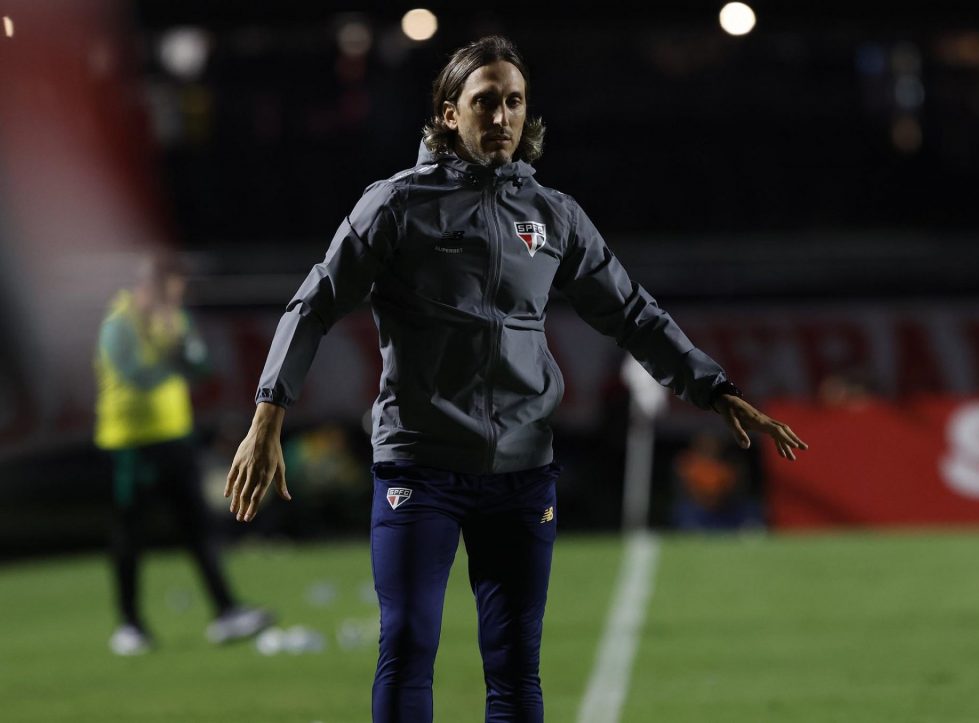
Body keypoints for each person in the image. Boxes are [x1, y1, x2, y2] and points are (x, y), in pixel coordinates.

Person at [225, 36, 808, 722]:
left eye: (513, 101)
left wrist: (714, 387)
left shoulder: (553, 214)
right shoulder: (395, 205)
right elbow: (315, 301)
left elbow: (629, 311)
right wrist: (269, 409)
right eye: (484, 102)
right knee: (409, 645)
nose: (501, 116)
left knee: (514, 667)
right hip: (421, 463)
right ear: (448, 114)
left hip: (522, 469)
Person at [94, 256, 273, 655]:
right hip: (130, 443)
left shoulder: (175, 319)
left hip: (174, 437)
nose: (177, 297)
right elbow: (134, 374)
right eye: (172, 288)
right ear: (152, 285)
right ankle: (129, 625)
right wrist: (171, 351)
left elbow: (200, 367)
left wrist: (181, 351)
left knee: (197, 528)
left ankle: (226, 611)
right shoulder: (120, 321)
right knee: (130, 534)